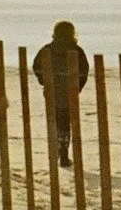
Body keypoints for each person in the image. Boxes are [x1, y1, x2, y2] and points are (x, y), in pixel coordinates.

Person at [30, 20, 90, 168]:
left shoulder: (47, 49)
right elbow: (84, 71)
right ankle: (63, 154)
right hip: (70, 93)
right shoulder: (77, 50)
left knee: (55, 122)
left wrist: (44, 82)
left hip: (53, 92)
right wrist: (78, 87)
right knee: (65, 123)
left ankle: (57, 150)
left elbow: (36, 66)